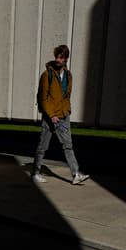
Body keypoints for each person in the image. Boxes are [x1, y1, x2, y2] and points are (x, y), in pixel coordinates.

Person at [31, 43, 89, 185]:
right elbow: (43, 98)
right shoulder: (47, 75)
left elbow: (67, 96)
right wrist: (51, 115)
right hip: (50, 118)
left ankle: (75, 174)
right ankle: (36, 172)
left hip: (63, 117)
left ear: (66, 59)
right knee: (43, 146)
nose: (58, 60)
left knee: (68, 145)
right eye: (57, 57)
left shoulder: (69, 76)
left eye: (61, 57)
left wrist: (67, 111)